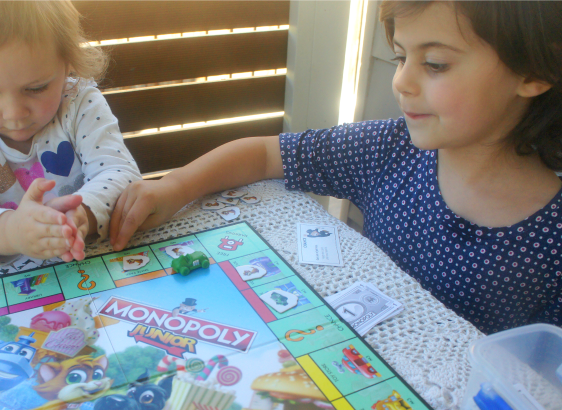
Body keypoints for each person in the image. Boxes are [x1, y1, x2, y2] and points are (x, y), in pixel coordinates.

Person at [108, 0, 562, 333]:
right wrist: (174, 187)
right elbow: (267, 153)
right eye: (402, 56)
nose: (401, 80)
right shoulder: (389, 149)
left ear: (534, 72)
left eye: (436, 64)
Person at [0, 0, 141, 264]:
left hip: (90, 266)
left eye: (36, 89)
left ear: (67, 62)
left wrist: (83, 212)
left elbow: (121, 173)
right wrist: (11, 232)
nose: (14, 113)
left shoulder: (79, 104)